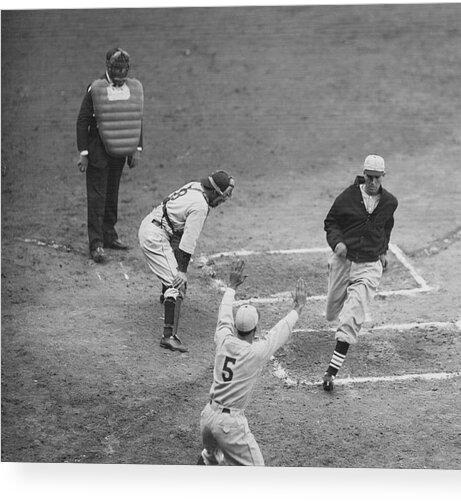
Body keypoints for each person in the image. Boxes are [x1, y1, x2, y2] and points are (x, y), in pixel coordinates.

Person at [198, 260, 307, 466]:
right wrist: (297, 308)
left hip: (208, 417)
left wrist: (231, 287)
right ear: (255, 329)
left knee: (209, 458)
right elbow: (280, 331)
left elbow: (224, 314)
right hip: (229, 426)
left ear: (236, 327)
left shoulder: (223, 339)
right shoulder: (255, 352)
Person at [321, 154, 398, 391]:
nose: (373, 181)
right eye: (369, 177)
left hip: (369, 266)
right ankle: (338, 304)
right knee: (332, 312)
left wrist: (383, 251)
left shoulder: (389, 202)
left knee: (352, 315)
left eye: (377, 177)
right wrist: (337, 244)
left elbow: (386, 226)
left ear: (382, 177)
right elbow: (330, 222)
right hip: (343, 262)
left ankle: (331, 373)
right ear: (364, 175)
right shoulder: (348, 197)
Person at [138, 170, 235, 353]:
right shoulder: (200, 207)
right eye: (222, 197)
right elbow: (188, 243)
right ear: (214, 191)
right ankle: (168, 337)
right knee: (178, 285)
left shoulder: (194, 186)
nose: (222, 201)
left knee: (173, 271)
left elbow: (177, 225)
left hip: (156, 226)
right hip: (155, 237)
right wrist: (181, 272)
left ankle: (166, 295)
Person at [76, 47, 144, 263]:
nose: (121, 74)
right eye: (117, 69)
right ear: (108, 67)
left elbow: (134, 117)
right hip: (97, 152)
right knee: (97, 197)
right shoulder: (95, 89)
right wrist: (84, 153)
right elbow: (83, 121)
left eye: (124, 69)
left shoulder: (131, 89)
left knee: (112, 194)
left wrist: (136, 148)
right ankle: (96, 244)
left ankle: (109, 235)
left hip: (119, 151)